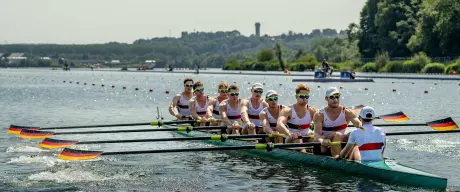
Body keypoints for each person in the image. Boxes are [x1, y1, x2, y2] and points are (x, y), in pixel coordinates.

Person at [313, 87, 362, 157]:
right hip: (325, 145)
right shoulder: (319, 114)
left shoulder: (347, 112)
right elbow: (317, 136)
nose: (335, 100)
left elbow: (359, 125)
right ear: (326, 98)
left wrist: (365, 129)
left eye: (337, 97)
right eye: (332, 97)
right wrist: (322, 141)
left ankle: (357, 159)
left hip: (340, 141)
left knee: (353, 134)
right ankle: (338, 159)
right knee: (337, 135)